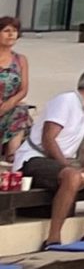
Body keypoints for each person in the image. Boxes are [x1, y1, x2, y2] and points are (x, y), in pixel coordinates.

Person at [16, 67, 84, 247]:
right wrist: (68, 167)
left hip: (65, 161)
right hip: (35, 158)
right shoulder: (66, 101)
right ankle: (53, 238)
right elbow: (48, 139)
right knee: (72, 176)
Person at [0, 16, 34, 164]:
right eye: (6, 31)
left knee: (21, 111)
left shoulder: (20, 60)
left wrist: (11, 103)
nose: (11, 34)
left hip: (10, 106)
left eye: (14, 31)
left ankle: (12, 156)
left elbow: (24, 89)